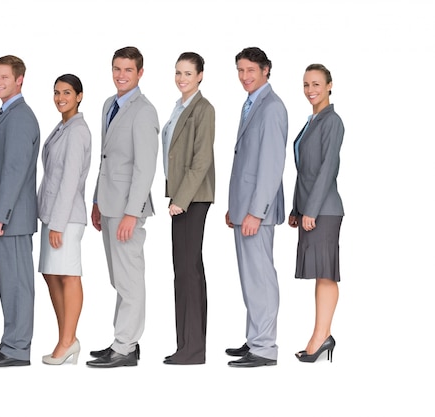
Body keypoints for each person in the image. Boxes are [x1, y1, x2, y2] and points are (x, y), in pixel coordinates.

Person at [86, 46, 159, 368]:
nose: (121, 75)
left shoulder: (144, 111)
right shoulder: (108, 105)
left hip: (129, 208)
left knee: (130, 279)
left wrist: (132, 212)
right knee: (118, 278)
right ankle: (122, 339)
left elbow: (145, 166)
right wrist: (98, 201)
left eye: (128, 70)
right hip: (110, 203)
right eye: (117, 68)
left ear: (140, 73)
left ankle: (126, 347)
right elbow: (105, 159)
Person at [225, 47, 288, 367]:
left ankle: (265, 347)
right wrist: (234, 206)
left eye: (251, 70)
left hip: (256, 213)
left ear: (266, 70)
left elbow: (271, 165)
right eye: (240, 70)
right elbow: (245, 161)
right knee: (250, 277)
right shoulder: (251, 103)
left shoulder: (273, 107)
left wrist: (255, 211)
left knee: (261, 276)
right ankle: (255, 339)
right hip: (244, 208)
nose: (244, 76)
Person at [0, 55, 40, 367]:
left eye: (4, 77)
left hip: (11, 219)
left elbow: (14, 171)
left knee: (18, 284)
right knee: (9, 283)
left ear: (19, 80)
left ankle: (17, 349)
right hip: (7, 218)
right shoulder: (8, 113)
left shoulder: (19, 117)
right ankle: (9, 342)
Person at [161, 52, 215, 365]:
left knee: (189, 271)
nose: (182, 78)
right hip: (179, 198)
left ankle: (193, 349)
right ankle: (186, 344)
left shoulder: (203, 109)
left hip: (192, 199)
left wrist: (181, 199)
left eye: (188, 73)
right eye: (179, 73)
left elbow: (201, 159)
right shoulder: (179, 106)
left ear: (200, 76)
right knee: (183, 271)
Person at [288, 64, 344, 363]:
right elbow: (303, 172)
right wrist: (297, 209)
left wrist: (311, 209)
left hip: (325, 210)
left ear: (330, 85)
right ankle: (321, 336)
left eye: (316, 84)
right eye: (306, 84)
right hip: (311, 209)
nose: (311, 90)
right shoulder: (312, 121)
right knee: (320, 273)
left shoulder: (332, 121)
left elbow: (327, 169)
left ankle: (321, 337)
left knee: (325, 273)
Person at [38, 74, 91, 365]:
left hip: (67, 217)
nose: (61, 98)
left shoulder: (78, 130)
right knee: (51, 273)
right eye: (57, 92)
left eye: (67, 92)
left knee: (68, 274)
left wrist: (57, 223)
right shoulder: (62, 126)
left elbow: (70, 180)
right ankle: (66, 338)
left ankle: (68, 340)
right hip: (52, 214)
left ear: (79, 96)